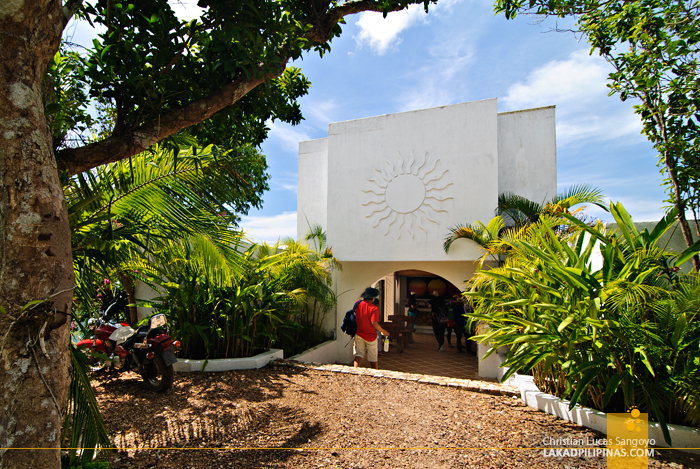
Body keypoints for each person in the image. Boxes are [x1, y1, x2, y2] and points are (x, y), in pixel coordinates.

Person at [353, 287, 390, 369]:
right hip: (370, 335)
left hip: (358, 333)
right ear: (373, 298)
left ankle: (355, 370)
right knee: (373, 356)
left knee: (359, 354)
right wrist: (384, 331)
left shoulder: (357, 304)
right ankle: (375, 372)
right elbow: (374, 323)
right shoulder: (374, 308)